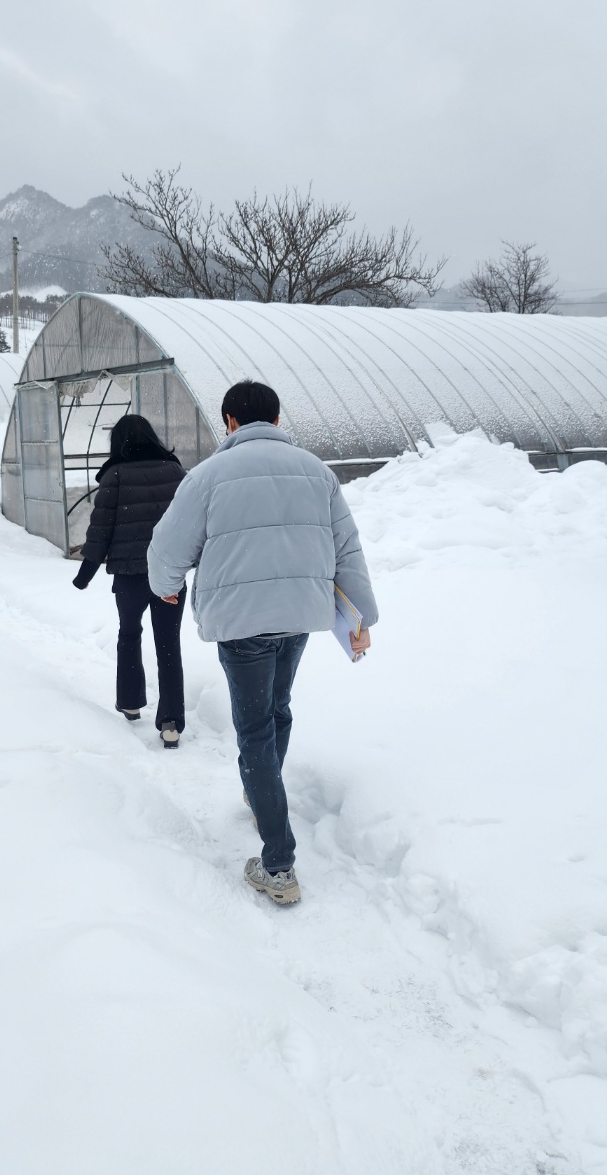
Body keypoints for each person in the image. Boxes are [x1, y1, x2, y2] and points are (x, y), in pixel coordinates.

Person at [148, 380, 378, 904]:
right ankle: (261, 792)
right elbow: (348, 548)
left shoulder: (208, 476)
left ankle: (277, 865)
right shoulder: (316, 472)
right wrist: (362, 618)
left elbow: (168, 546)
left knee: (253, 728)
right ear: (276, 419)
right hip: (298, 618)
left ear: (229, 421)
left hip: (242, 623)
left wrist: (165, 588)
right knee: (277, 710)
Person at [73, 415, 187, 748]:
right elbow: (190, 525)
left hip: (129, 576)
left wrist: (85, 573)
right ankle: (171, 723)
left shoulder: (116, 475)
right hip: (169, 577)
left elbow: (100, 530)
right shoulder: (175, 473)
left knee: (129, 633)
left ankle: (131, 701)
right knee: (169, 645)